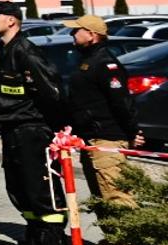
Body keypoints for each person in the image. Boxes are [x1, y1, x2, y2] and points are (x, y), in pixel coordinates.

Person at [0, 0, 68, 245]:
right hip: (12, 128)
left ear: (12, 20)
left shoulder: (26, 52)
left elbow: (52, 93)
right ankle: (34, 244)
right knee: (20, 190)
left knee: (41, 191)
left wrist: (54, 130)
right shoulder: (3, 51)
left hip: (32, 130)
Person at [60, 15, 145, 229]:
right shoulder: (88, 61)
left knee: (116, 195)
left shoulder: (105, 64)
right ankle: (111, 242)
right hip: (91, 138)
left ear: (92, 35)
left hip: (107, 139)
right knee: (100, 196)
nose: (72, 34)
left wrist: (133, 131)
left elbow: (121, 102)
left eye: (77, 30)